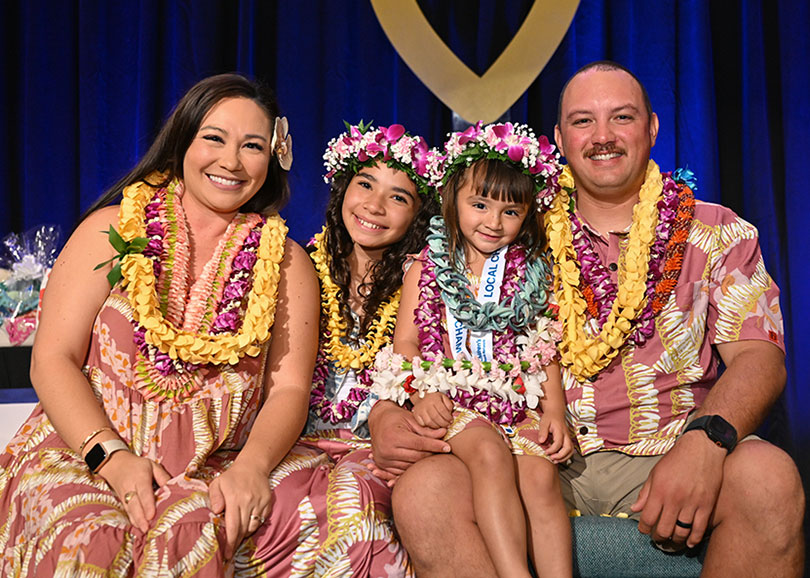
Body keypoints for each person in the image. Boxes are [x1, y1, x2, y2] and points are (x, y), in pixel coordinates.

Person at [369, 61, 805, 577]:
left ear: (652, 128)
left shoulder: (716, 232)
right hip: (525, 449)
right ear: (558, 137)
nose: (602, 137)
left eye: (621, 117)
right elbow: (419, 331)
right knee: (425, 491)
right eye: (582, 121)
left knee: (769, 480)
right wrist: (385, 416)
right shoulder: (511, 229)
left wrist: (705, 441)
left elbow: (760, 359)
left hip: (668, 451)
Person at [0, 73, 321, 576]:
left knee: (341, 517)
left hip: (221, 463)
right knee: (95, 543)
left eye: (252, 146)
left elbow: (288, 388)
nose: (231, 162)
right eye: (214, 138)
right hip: (86, 451)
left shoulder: (286, 262)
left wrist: (252, 469)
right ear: (181, 142)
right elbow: (51, 359)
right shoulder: (111, 230)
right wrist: (112, 458)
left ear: (274, 158)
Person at [370, 121, 572, 577]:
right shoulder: (425, 267)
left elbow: (543, 347)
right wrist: (420, 395)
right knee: (486, 451)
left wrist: (554, 411)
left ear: (528, 214)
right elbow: (405, 342)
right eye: (479, 205)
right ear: (452, 201)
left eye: (510, 211)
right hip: (449, 399)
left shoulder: (531, 272)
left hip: (510, 398)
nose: (493, 222)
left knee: (540, 476)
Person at [271, 122, 441, 575]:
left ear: (418, 216)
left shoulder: (424, 285)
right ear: (342, 189)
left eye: (398, 197)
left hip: (379, 450)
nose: (374, 205)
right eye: (364, 184)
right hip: (296, 443)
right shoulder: (294, 266)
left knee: (359, 507)